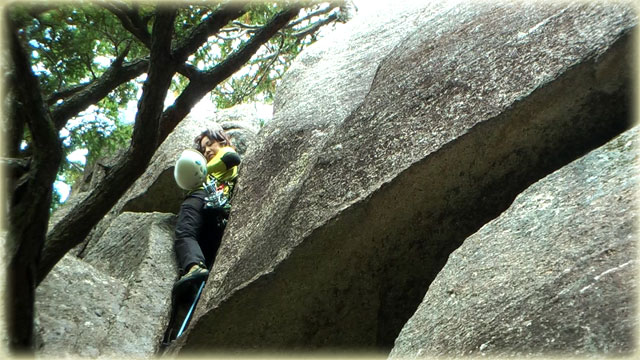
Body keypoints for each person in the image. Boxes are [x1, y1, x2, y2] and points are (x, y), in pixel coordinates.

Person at [172, 125, 241, 293]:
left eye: (210, 144)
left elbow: (232, 157)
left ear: (222, 141)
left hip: (203, 196)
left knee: (185, 231)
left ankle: (194, 266)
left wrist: (200, 169)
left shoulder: (225, 152)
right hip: (214, 209)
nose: (207, 150)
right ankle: (195, 276)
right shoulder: (216, 166)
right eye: (204, 149)